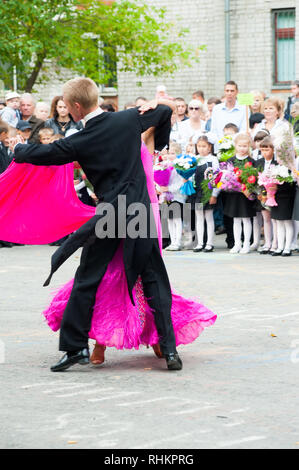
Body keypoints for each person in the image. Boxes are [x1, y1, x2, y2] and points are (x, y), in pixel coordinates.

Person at [12, 77, 184, 372]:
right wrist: (160, 119)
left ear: (76, 107)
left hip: (110, 216)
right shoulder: (128, 119)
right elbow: (166, 113)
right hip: (140, 213)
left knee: (88, 278)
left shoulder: (82, 139)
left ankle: (75, 347)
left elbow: (45, 155)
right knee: (154, 277)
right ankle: (169, 350)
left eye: (67, 105)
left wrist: (18, 150)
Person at [224, 133, 257, 254]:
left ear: (248, 146)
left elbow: (254, 178)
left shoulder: (251, 161)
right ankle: (237, 243)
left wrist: (249, 189)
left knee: (246, 219)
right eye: (240, 146)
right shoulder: (230, 161)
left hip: (246, 195)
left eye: (245, 146)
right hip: (234, 195)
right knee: (236, 220)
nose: (242, 148)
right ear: (235, 146)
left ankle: (246, 243)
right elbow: (226, 177)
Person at [192, 135, 219, 252]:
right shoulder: (194, 159)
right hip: (197, 192)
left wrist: (214, 194)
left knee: (208, 216)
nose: (201, 149)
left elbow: (217, 178)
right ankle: (200, 242)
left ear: (210, 147)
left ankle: (209, 242)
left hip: (208, 192)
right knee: (199, 217)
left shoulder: (213, 160)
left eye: (204, 146)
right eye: (199, 146)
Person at [161, 142, 186, 251]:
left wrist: (169, 189)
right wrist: (161, 188)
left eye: (173, 153)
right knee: (169, 220)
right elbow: (157, 177)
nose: (170, 155)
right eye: (169, 153)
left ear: (178, 154)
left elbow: (182, 182)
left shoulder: (180, 165)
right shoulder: (163, 165)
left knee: (176, 218)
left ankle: (178, 241)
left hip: (177, 196)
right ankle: (172, 241)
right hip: (166, 196)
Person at [256, 137, 277, 254]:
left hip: (274, 195)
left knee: (274, 219)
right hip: (263, 195)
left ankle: (275, 243)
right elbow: (254, 179)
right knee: (266, 219)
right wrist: (259, 192)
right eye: (262, 150)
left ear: (273, 150)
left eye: (267, 150)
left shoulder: (277, 162)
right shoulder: (258, 162)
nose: (264, 152)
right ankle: (267, 242)